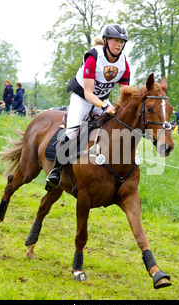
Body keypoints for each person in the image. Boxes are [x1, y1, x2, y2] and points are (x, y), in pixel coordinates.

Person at [46, 24, 130, 190]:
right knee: (71, 132)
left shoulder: (124, 63)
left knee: (116, 126)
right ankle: (56, 171)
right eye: (115, 40)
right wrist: (104, 106)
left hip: (102, 100)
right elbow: (88, 93)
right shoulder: (93, 58)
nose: (119, 44)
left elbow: (124, 95)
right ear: (106, 41)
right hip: (82, 98)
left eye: (122, 41)